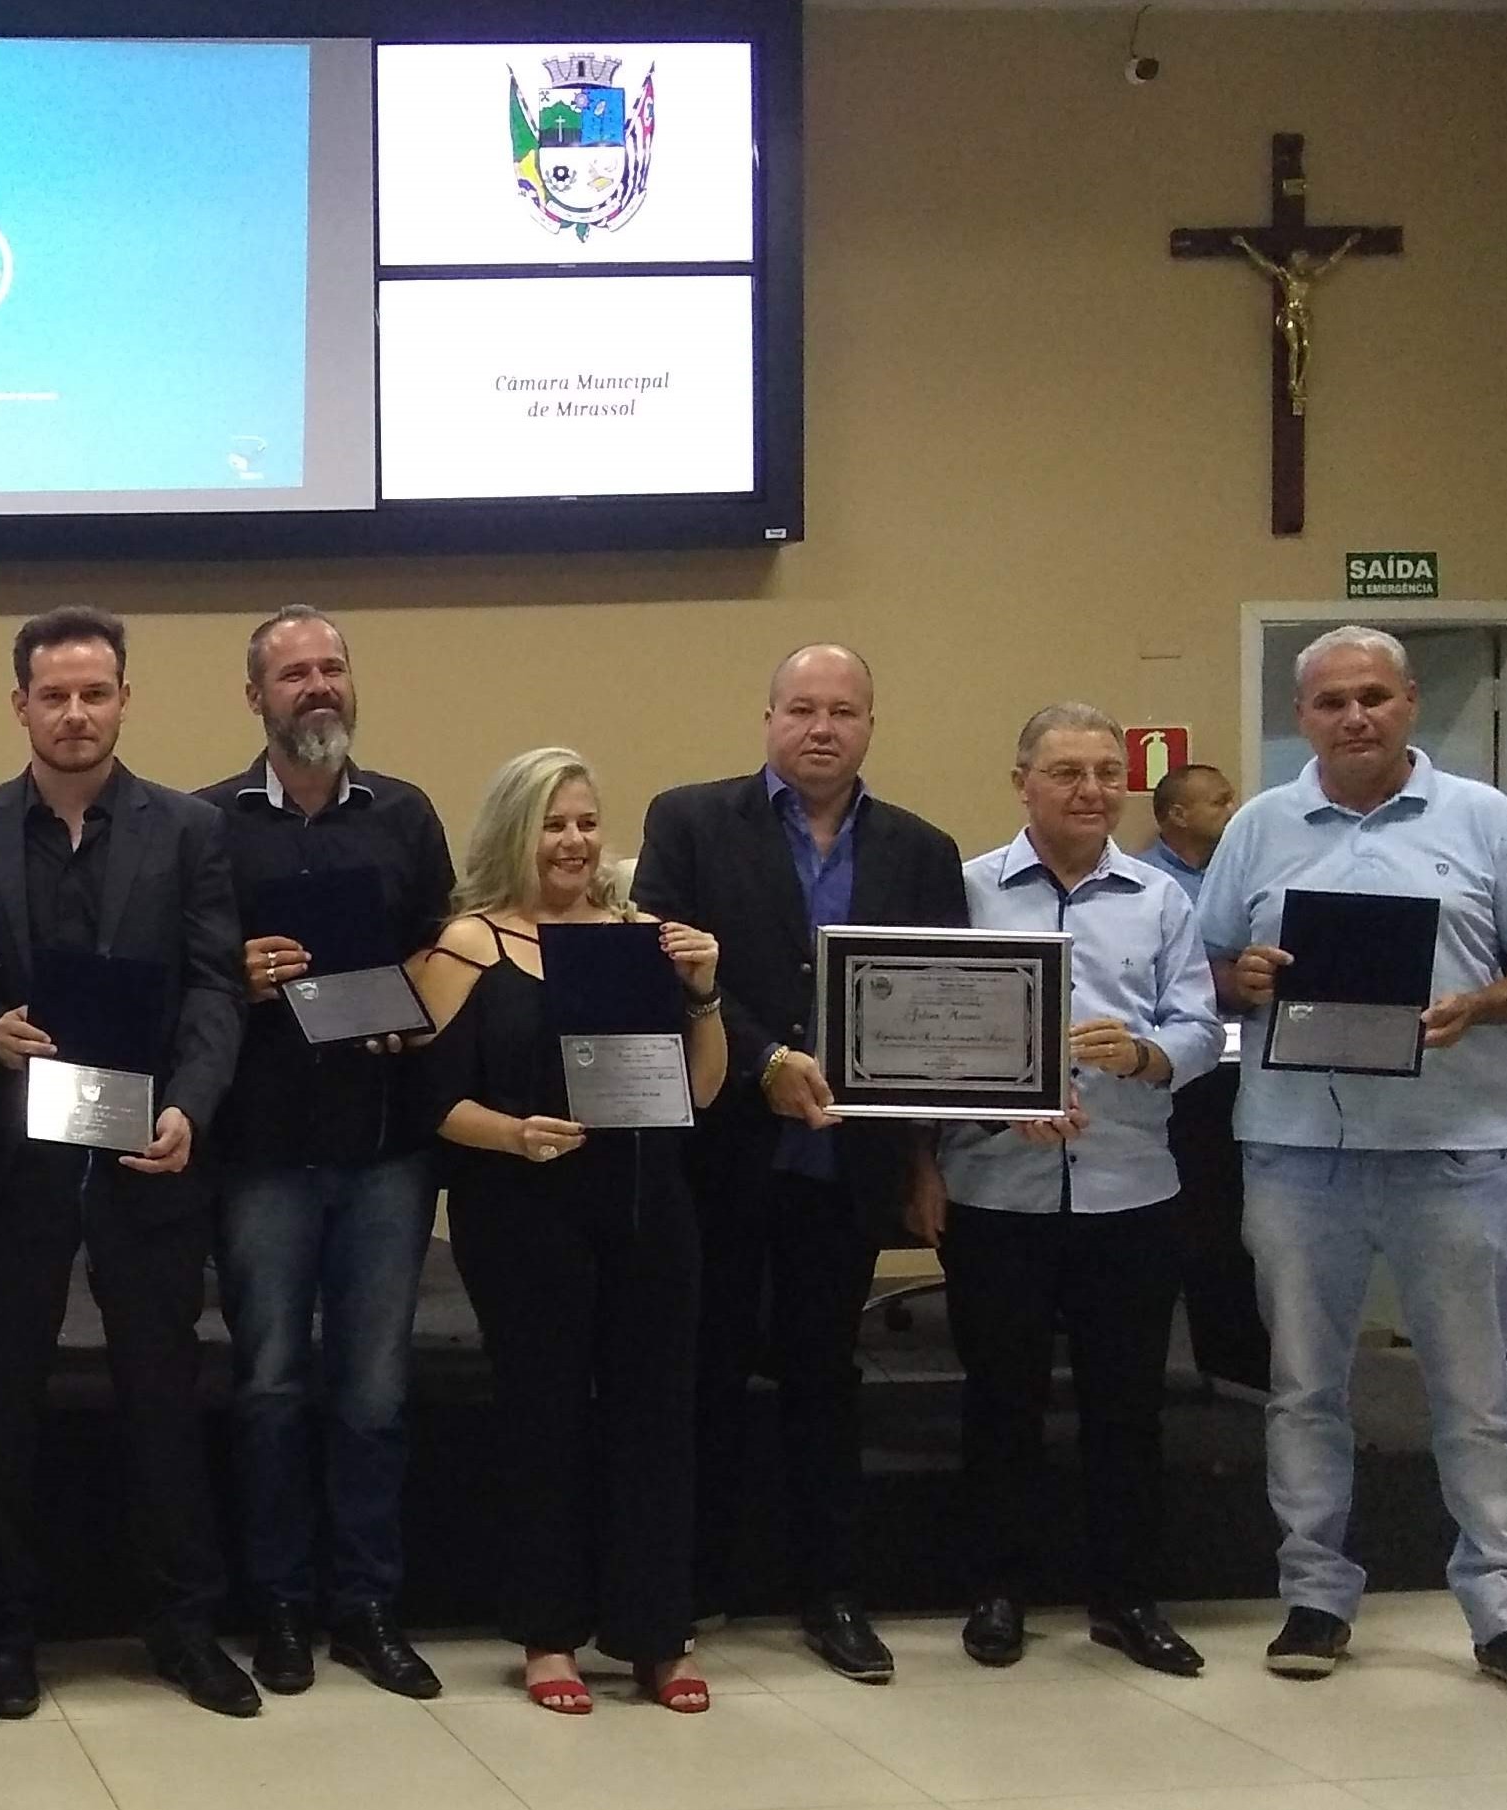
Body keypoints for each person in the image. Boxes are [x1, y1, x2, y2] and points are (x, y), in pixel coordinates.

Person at [0, 606, 251, 1718]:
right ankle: (4, 1631)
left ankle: (184, 1624)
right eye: (54, 694)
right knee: (4, 1396)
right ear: (19, 702)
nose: (76, 712)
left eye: (96, 692)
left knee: (163, 1393)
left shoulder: (191, 830)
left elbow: (216, 984)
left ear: (125, 698)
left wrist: (193, 1110)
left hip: (147, 1150)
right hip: (14, 1159)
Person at [633, 643, 969, 1684]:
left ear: (872, 723)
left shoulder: (920, 847)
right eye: (802, 708)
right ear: (768, 714)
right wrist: (766, 1061)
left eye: (844, 711)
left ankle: (833, 1591)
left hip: (849, 1162)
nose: (822, 727)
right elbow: (658, 958)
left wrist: (923, 1156)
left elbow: (936, 1016)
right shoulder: (689, 820)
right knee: (707, 1367)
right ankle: (688, 1585)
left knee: (826, 1376)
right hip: (721, 1149)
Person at [1197, 625, 1507, 1682]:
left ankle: (1499, 1604)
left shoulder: (1485, 819)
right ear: (1304, 716)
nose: (1355, 716)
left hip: (1454, 1149)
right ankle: (1314, 1596)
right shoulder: (1259, 825)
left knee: (1475, 1394)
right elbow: (1213, 963)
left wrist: (1482, 1001)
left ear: (1411, 700)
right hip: (1295, 1147)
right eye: (1331, 702)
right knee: (1303, 1385)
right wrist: (1243, 978)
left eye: (1374, 695)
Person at [416, 750, 722, 1714]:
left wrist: (704, 992)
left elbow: (701, 1089)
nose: (574, 842)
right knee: (542, 1412)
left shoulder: (641, 939)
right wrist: (510, 1134)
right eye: (554, 824)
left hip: (645, 1201)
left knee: (655, 1413)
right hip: (520, 1208)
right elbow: (424, 1098)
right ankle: (548, 1634)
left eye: (587, 823)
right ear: (515, 831)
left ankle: (653, 1634)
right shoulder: (469, 943)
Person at [930, 705, 1219, 1678]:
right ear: (1022, 781)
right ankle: (999, 1590)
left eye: (1107, 772)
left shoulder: (1160, 899)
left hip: (1130, 1191)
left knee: (1127, 1407)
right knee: (1000, 1400)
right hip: (996, 1190)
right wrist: (993, 1095)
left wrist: (1144, 1053)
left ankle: (1127, 1595)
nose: (1091, 789)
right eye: (1067, 772)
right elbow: (926, 1035)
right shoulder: (963, 889)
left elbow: (1199, 1023)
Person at [202, 605, 455, 1700]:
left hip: (386, 1143)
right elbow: (186, 969)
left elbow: (441, 945)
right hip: (261, 1147)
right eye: (293, 672)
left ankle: (368, 1604)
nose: (317, 686)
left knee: (374, 1390)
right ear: (253, 695)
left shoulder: (404, 813)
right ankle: (282, 1608)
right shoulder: (205, 824)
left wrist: (411, 997)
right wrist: (237, 971)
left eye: (332, 668)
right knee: (266, 1384)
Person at [1146, 763, 1271, 1390]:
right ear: (1176, 815)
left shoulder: (1242, 876)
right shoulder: (1148, 886)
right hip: (1168, 1072)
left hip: (1236, 1063)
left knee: (1229, 1216)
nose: (1234, 806)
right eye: (1219, 799)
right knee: (1198, 1214)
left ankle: (1235, 1362)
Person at [1142, 765, 1236, 902]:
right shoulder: (1142, 879)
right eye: (1220, 802)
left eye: (1231, 801)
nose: (1234, 811)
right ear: (1179, 816)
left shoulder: (1240, 870)